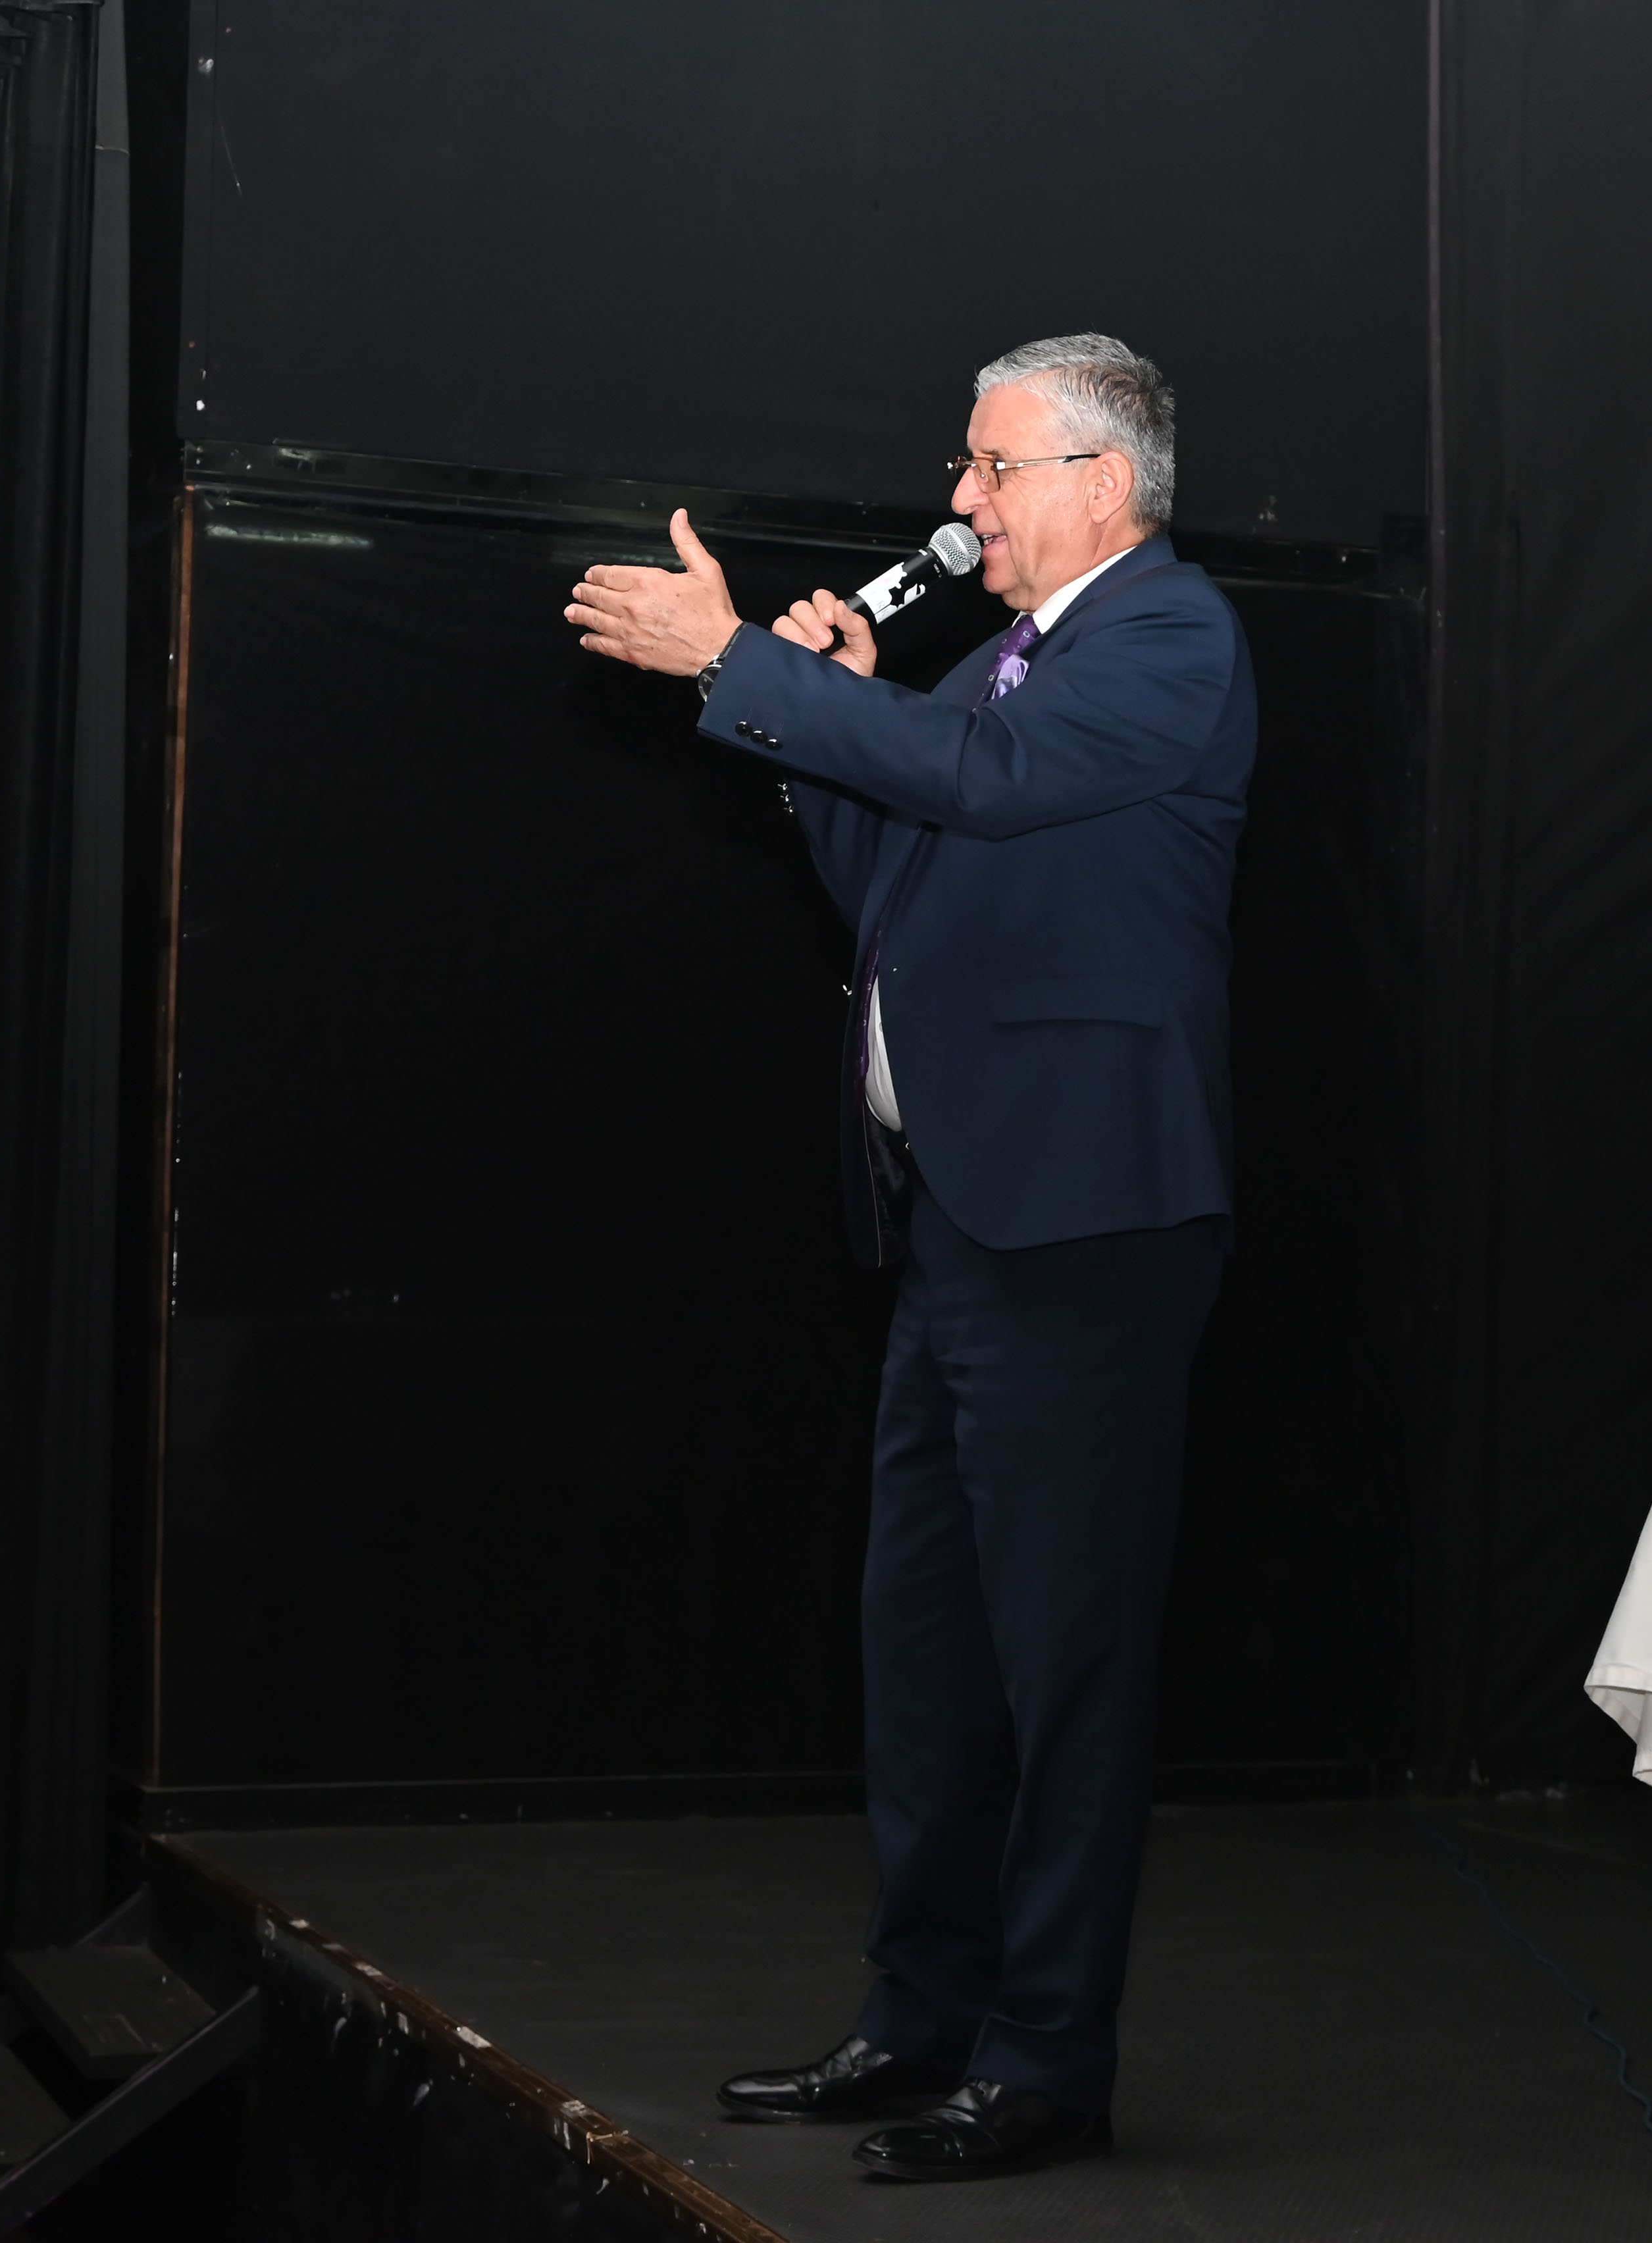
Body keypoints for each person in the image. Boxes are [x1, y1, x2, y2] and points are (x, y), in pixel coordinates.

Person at [564, 335, 1254, 2182]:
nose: (963, 502)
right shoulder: (999, 672)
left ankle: (1045, 2061)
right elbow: (901, 884)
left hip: (1089, 1224)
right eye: (968, 465)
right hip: (962, 1217)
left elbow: (993, 783)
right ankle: (920, 2014)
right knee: (928, 1647)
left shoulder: (1170, 638)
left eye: (993, 468)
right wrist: (819, 730)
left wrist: (748, 668)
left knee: (1067, 1664)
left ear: (1103, 483)